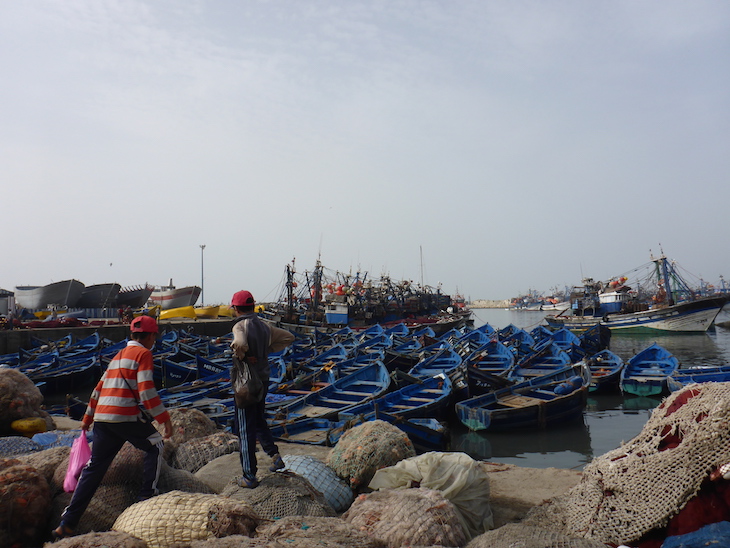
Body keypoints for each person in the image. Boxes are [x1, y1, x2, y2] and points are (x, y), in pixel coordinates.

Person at [52, 315, 173, 540]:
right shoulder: (143, 354)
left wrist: (87, 420)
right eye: (154, 336)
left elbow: (97, 390)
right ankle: (147, 498)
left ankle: (67, 522)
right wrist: (164, 418)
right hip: (124, 417)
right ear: (150, 336)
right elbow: (146, 391)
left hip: (103, 419)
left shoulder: (117, 357)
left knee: (94, 469)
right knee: (155, 445)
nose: (154, 341)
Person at [230, 289, 294, 488]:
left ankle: (249, 476)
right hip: (263, 380)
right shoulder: (265, 326)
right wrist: (266, 350)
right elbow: (288, 337)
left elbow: (239, 344)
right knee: (258, 418)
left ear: (236, 308)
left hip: (246, 384)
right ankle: (275, 457)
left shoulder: (240, 325)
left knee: (244, 428)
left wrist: (241, 355)